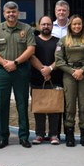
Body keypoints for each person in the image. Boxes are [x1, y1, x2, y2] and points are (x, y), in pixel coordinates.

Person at [0, 1, 36, 149]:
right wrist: (4, 63)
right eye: (8, 12)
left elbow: (31, 49)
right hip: (2, 72)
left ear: (18, 13)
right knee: (2, 105)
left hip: (20, 70)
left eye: (13, 12)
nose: (11, 14)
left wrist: (15, 62)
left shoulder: (26, 28)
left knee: (22, 104)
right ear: (4, 14)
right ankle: (3, 137)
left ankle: (23, 137)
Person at [55, 15, 84, 146]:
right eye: (74, 24)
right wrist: (72, 71)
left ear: (82, 25)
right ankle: (70, 135)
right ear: (70, 26)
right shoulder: (63, 40)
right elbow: (59, 61)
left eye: (79, 24)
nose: (77, 26)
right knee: (70, 105)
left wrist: (82, 70)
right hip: (69, 75)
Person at [30, 16, 63, 145]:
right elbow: (31, 56)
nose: (46, 26)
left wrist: (50, 69)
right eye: (43, 24)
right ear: (39, 26)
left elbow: (60, 58)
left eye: (48, 24)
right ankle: (39, 134)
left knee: (54, 108)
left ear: (52, 26)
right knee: (39, 108)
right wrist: (42, 70)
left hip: (55, 79)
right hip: (37, 79)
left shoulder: (58, 41)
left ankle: (54, 134)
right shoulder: (33, 41)